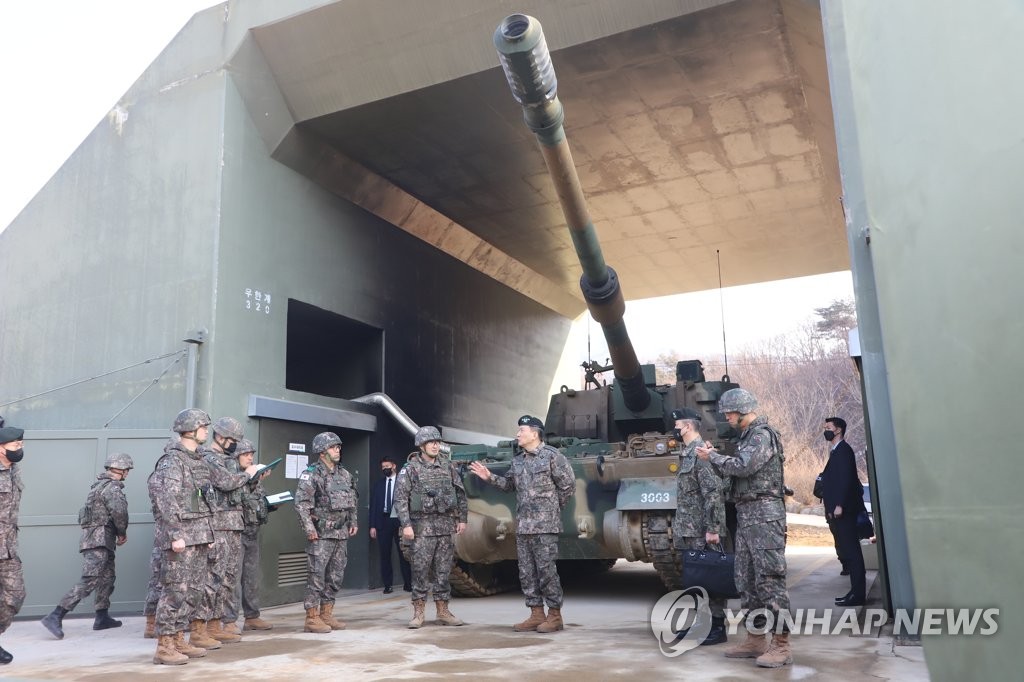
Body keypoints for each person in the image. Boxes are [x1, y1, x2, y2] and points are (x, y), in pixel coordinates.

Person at [148, 408, 258, 665]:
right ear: (190, 429)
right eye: (204, 427)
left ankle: (178, 639)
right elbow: (167, 501)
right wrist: (175, 534)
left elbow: (205, 500)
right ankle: (164, 645)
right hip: (182, 536)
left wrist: (208, 532)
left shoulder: (197, 460)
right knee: (175, 591)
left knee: (193, 591)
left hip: (199, 534)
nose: (207, 432)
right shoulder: (172, 461)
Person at [696, 388, 792, 668]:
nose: (727, 418)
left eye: (730, 413)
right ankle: (755, 638)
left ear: (744, 410)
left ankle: (782, 644)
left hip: (765, 515)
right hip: (748, 513)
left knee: (769, 580)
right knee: (746, 580)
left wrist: (712, 458)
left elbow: (744, 466)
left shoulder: (762, 435)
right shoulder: (747, 437)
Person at [469, 415, 574, 633]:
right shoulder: (518, 461)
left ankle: (555, 616)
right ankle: (536, 614)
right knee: (526, 572)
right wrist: (489, 477)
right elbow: (509, 485)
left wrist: (550, 511)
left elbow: (568, 486)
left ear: (535, 433)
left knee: (546, 571)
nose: (518, 434)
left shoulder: (553, 457)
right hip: (524, 526)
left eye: (522, 430)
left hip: (545, 526)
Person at [40, 452, 133, 639]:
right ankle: (56, 615)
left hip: (99, 540)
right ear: (121, 469)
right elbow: (119, 513)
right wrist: (122, 532)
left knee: (107, 577)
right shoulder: (112, 488)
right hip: (99, 540)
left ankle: (102, 617)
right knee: (90, 579)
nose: (128, 474)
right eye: (127, 470)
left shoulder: (97, 486)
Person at [393, 427, 467, 628]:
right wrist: (406, 524)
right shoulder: (410, 469)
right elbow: (400, 498)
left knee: (444, 571)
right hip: (421, 529)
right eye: (431, 442)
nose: (436, 445)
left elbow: (460, 492)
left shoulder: (447, 466)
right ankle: (418, 613)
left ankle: (443, 612)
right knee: (420, 571)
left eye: (437, 442)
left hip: (444, 528)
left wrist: (463, 519)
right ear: (421, 445)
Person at [670, 408, 728, 646]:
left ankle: (716, 626)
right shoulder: (687, 453)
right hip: (689, 528)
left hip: (702, 529)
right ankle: (702, 623)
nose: (674, 428)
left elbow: (713, 493)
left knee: (709, 578)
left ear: (688, 427)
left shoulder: (701, 454)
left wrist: (713, 528)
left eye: (677, 424)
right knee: (697, 580)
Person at [197, 417, 253, 645]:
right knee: (212, 578)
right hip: (217, 526)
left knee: (228, 579)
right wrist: (248, 474)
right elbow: (226, 483)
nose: (234, 445)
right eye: (232, 440)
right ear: (220, 437)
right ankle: (200, 629)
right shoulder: (208, 458)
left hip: (232, 525)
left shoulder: (225, 460)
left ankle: (214, 625)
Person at [295, 432, 358, 634]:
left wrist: (353, 521)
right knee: (317, 577)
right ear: (322, 452)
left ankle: (326, 614)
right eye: (333, 447)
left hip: (341, 534)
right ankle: (312, 618)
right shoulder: (312, 474)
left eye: (338, 447)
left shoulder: (345, 474)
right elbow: (302, 505)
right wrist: (309, 529)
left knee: (336, 576)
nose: (337, 450)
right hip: (321, 535)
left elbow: (353, 501)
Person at [225, 438, 275, 631]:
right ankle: (228, 620)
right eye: (246, 454)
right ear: (236, 457)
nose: (250, 458)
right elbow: (234, 499)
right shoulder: (232, 477)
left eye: (252, 455)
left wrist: (270, 504)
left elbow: (258, 503)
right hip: (236, 534)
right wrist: (248, 480)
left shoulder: (254, 477)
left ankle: (252, 616)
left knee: (251, 577)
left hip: (252, 532)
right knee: (233, 578)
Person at [820, 417, 867, 607]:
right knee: (848, 552)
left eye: (829, 428)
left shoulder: (844, 451)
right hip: (837, 511)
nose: (826, 431)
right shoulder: (836, 451)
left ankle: (858, 594)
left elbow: (846, 481)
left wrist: (839, 505)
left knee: (853, 553)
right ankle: (854, 592)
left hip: (844, 511)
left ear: (838, 430)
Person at [0, 425, 27, 665]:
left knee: (15, 596)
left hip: (8, 548)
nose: (20, 448)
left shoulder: (13, 470)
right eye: (15, 445)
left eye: (21, 444)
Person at [369, 454, 411, 595]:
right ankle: (388, 585)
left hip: (400, 521)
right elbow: (374, 506)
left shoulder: (403, 482)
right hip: (383, 522)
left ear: (394, 466)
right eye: (383, 467)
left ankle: (408, 583)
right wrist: (373, 526)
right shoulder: (379, 485)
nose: (385, 469)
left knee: (403, 554)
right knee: (385, 555)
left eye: (387, 466)